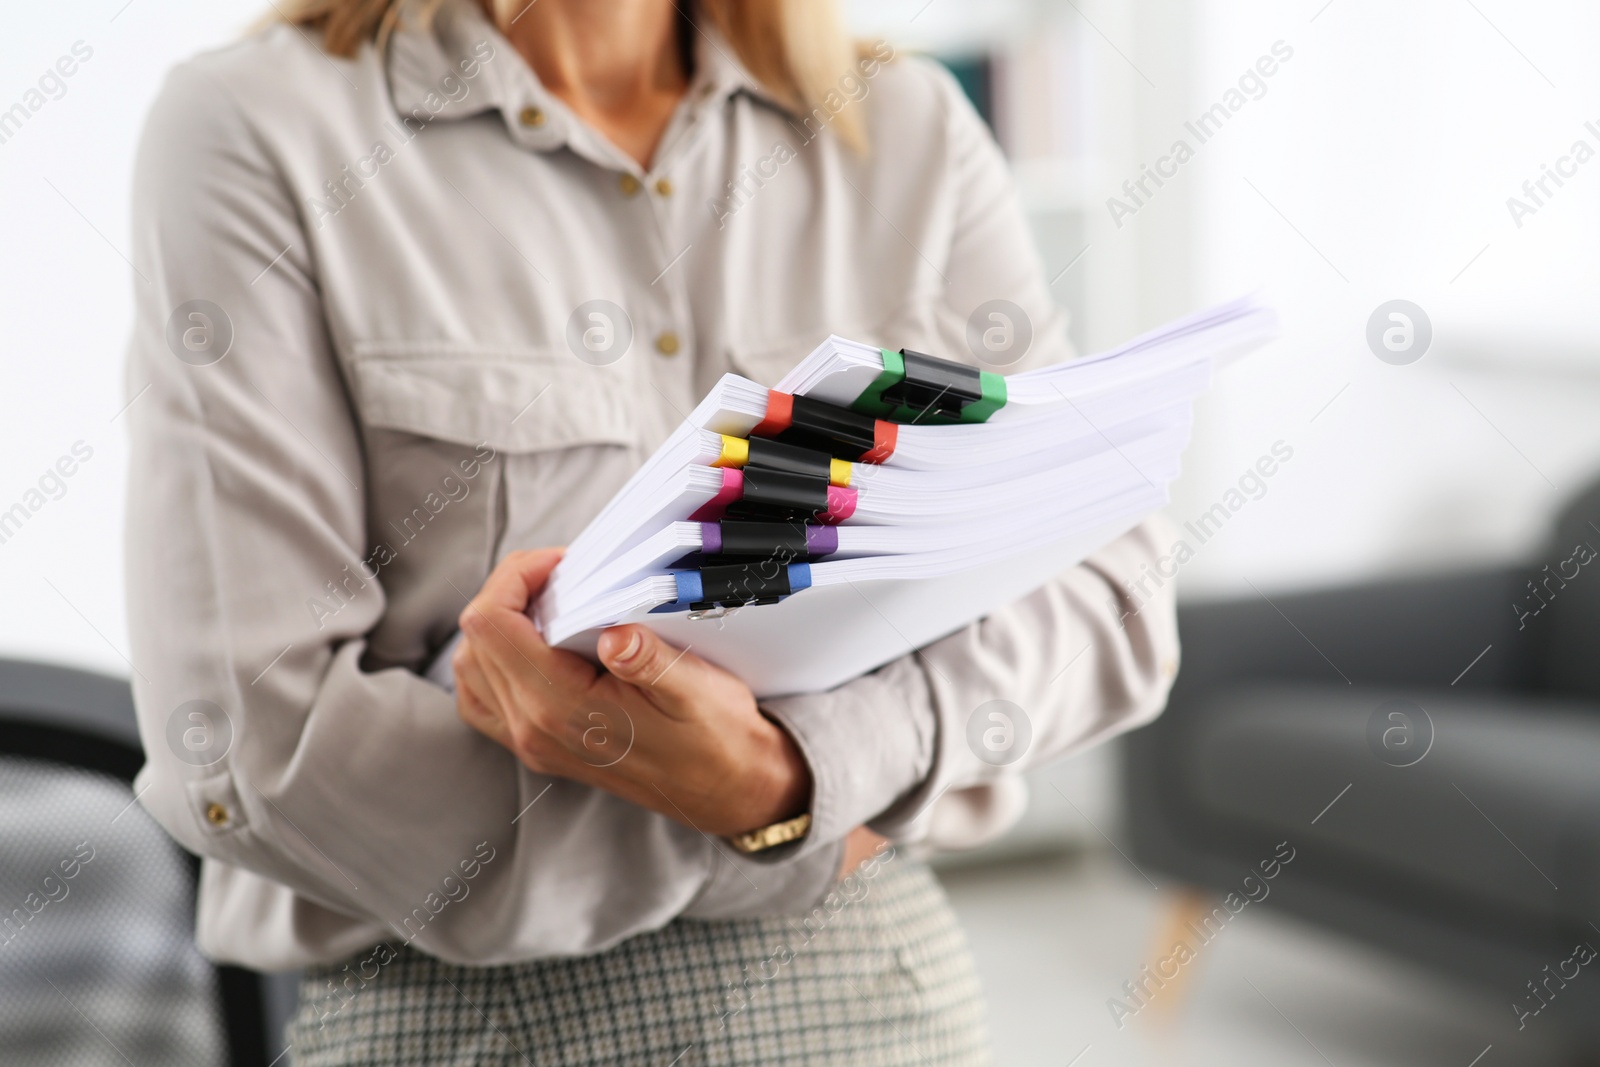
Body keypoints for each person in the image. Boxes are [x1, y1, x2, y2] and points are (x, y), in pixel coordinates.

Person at [123, 0, 1180, 1062]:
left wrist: (796, 777)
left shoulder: (904, 124)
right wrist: (778, 814)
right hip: (463, 1008)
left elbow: (1114, 589)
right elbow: (247, 743)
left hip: (870, 977)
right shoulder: (254, 127)